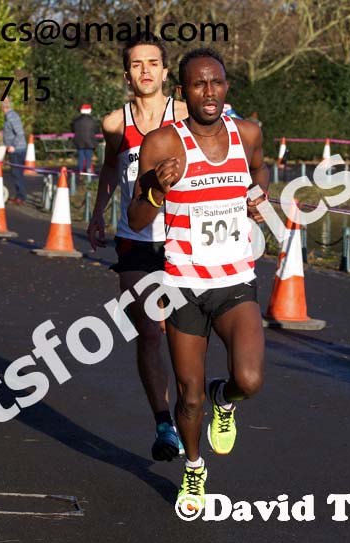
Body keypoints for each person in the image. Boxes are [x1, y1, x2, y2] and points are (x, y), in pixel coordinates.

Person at [127, 48, 269, 507]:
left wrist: (258, 200)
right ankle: (194, 469)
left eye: (217, 82)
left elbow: (259, 175)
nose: (209, 92)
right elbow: (136, 215)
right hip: (183, 286)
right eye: (198, 84)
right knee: (189, 398)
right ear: (182, 92)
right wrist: (156, 188)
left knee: (249, 379)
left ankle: (223, 398)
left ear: (227, 87)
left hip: (235, 281)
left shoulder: (248, 134)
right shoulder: (162, 144)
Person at [87, 36, 189, 462]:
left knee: (184, 335)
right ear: (127, 75)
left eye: (152, 63)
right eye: (136, 64)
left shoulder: (185, 115)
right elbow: (112, 165)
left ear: (165, 71)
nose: (145, 70)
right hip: (136, 238)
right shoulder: (116, 123)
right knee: (147, 331)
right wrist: (98, 212)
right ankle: (164, 424)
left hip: (184, 240)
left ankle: (195, 407)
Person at [0, 97, 27, 204]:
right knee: (17, 173)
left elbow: (19, 133)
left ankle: (21, 197)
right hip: (15, 149)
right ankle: (19, 195)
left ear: (3, 107)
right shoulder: (9, 116)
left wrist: (13, 146)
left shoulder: (12, 117)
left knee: (17, 173)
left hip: (17, 150)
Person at [72, 104, 99, 173]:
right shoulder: (92, 121)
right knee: (88, 158)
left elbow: (73, 129)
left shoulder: (76, 121)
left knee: (80, 157)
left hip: (79, 141)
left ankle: (80, 171)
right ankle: (88, 170)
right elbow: (96, 130)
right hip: (90, 141)